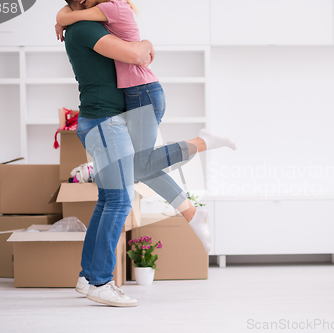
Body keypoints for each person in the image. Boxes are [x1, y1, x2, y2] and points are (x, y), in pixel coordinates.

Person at [57, 0, 236, 307]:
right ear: (83, 1)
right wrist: (147, 44)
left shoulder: (83, 21)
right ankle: (100, 282)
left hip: (105, 120)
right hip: (105, 122)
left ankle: (89, 277)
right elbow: (139, 54)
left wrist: (62, 17)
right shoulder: (85, 27)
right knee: (119, 199)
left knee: (109, 199)